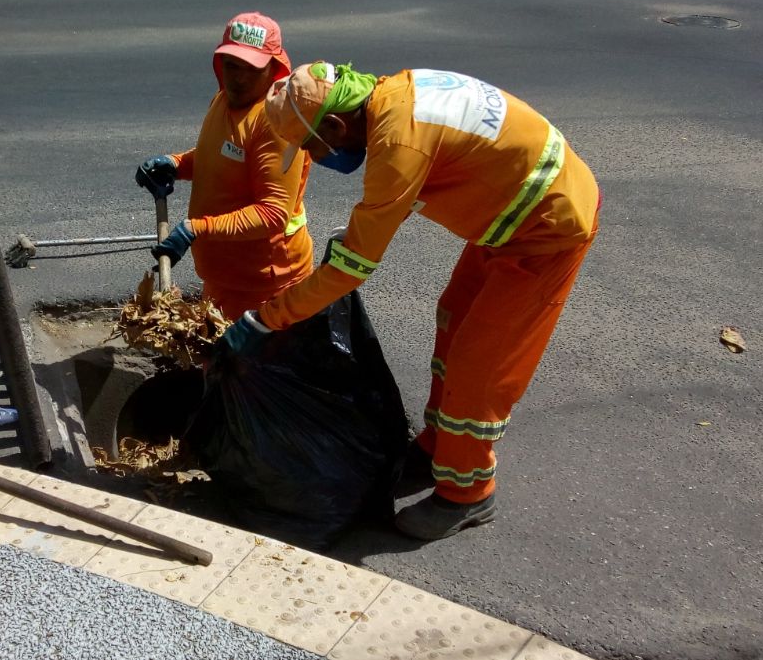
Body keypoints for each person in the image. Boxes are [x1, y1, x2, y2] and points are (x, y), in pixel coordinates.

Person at [220, 61, 600, 541]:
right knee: (453, 320)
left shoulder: (398, 144)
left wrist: (266, 321)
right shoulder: (393, 96)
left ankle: (468, 495)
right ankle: (437, 449)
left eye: (313, 146)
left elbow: (353, 268)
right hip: (511, 217)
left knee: (477, 366)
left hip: (548, 228)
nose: (317, 156)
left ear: (337, 125)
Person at [134, 12, 314, 320]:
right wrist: (176, 164)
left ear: (273, 67)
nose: (239, 78)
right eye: (232, 66)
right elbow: (222, 156)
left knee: (250, 367)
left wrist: (197, 229)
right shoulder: (224, 100)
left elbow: (273, 213)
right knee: (217, 363)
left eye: (250, 69)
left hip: (263, 286)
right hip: (226, 278)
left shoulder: (275, 124)